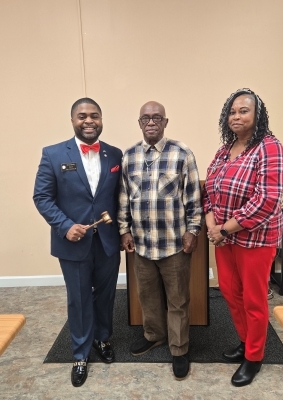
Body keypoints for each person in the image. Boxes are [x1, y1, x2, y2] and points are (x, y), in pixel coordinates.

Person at [202, 88, 283, 387]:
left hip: (255, 240)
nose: (236, 116)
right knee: (229, 292)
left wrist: (224, 228)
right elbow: (208, 191)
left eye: (244, 110)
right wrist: (213, 226)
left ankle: (254, 356)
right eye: (232, 111)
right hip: (224, 239)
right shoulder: (225, 149)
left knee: (253, 299)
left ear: (258, 115)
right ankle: (245, 340)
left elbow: (266, 200)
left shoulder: (270, 148)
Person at [33, 98, 122, 387]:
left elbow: (119, 198)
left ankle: (103, 339)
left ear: (101, 119)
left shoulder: (115, 154)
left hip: (108, 241)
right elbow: (42, 197)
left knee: (106, 295)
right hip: (72, 243)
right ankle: (81, 354)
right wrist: (65, 226)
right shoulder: (53, 154)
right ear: (72, 120)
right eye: (82, 116)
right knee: (79, 298)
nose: (88, 121)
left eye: (94, 116)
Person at [118, 101, 202, 380]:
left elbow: (193, 198)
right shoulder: (129, 156)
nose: (151, 122)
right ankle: (154, 334)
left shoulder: (182, 153)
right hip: (141, 244)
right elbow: (123, 199)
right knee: (148, 296)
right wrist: (124, 230)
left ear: (166, 122)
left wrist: (193, 230)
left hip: (174, 244)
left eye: (157, 118)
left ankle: (179, 349)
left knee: (178, 299)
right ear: (139, 123)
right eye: (145, 118)